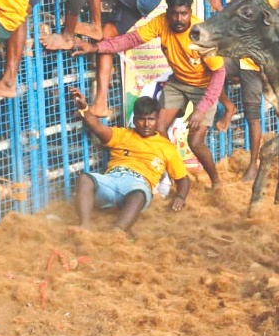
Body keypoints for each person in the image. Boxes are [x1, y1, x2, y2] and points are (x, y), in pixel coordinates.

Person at [46, 0, 226, 190]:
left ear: (190, 12)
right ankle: (173, 179)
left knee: (196, 140)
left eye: (184, 13)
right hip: (178, 82)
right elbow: (131, 40)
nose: (178, 19)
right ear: (168, 13)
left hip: (204, 87)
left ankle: (216, 181)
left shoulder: (201, 34)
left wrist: (201, 109)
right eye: (174, 13)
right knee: (158, 130)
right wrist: (96, 48)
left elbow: (219, 74)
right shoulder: (161, 22)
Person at [70, 90, 190, 234]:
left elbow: (182, 179)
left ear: (157, 120)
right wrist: (84, 108)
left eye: (151, 119)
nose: (146, 124)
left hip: (138, 185)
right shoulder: (122, 135)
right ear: (134, 121)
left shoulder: (167, 147)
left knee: (139, 194)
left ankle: (117, 232)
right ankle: (85, 226)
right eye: (142, 119)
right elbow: (97, 127)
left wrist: (180, 196)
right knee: (85, 178)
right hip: (111, 179)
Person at [207, 0, 268, 181]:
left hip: (252, 62)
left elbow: (246, 28)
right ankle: (228, 106)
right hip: (235, 56)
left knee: (253, 115)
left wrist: (220, 8)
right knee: (212, 69)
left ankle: (254, 164)